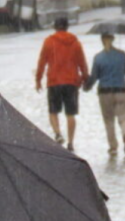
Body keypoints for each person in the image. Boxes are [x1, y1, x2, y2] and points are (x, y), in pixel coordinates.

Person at [36, 16, 88, 152]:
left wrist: (38, 79)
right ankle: (70, 142)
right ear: (67, 27)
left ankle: (58, 133)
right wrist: (84, 77)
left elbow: (42, 62)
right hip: (71, 82)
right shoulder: (75, 42)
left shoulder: (49, 42)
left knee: (53, 111)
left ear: (55, 27)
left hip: (54, 82)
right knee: (70, 114)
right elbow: (82, 62)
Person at [85, 33, 125, 155]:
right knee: (124, 118)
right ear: (113, 39)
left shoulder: (98, 57)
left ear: (102, 40)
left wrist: (87, 86)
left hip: (105, 92)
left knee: (109, 121)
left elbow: (95, 76)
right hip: (121, 90)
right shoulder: (122, 55)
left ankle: (113, 147)